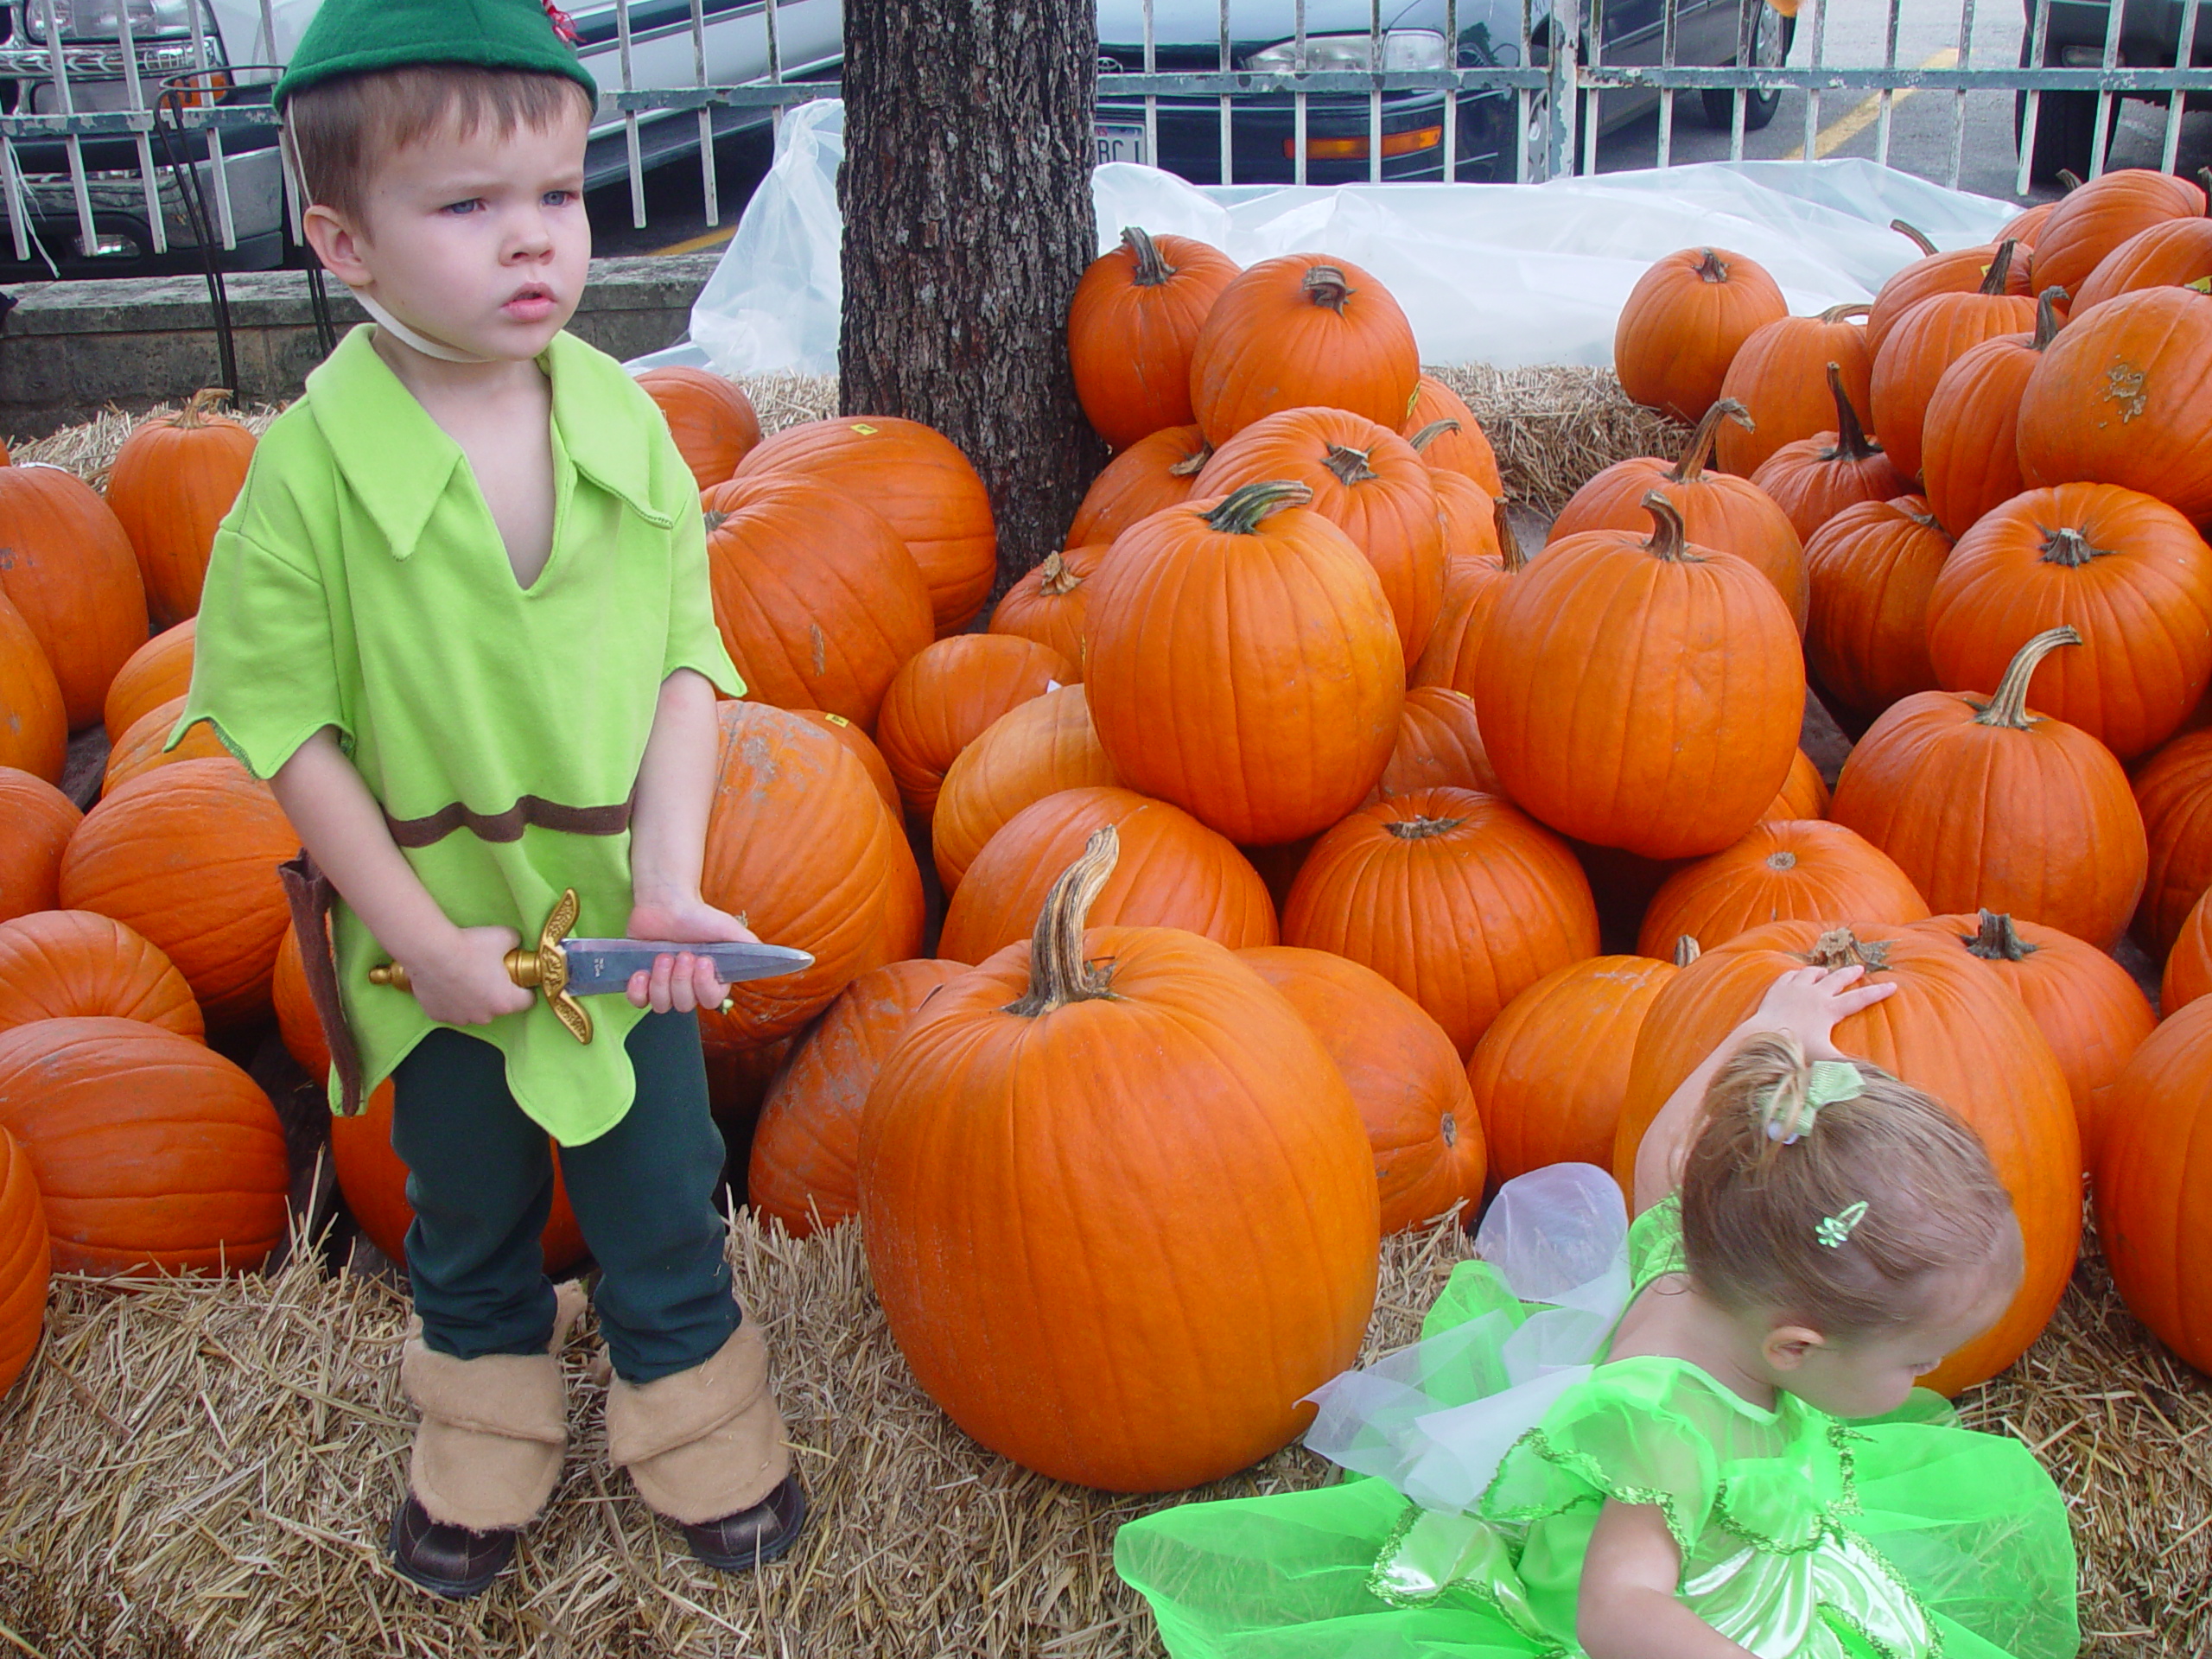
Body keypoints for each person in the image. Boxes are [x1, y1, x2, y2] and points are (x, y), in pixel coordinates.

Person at [171, 0, 804, 1600]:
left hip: (614, 914)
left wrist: (669, 883)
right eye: (465, 207)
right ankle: (483, 1422)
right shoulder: (307, 475)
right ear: (343, 240)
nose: (531, 244)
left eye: (557, 196)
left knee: (662, 1178)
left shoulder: (629, 435)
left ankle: (697, 1409)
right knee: (462, 1197)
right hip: (432, 935)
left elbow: (683, 668)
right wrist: (414, 935)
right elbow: (286, 728)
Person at [1115, 963, 2080, 1658]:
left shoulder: (1688, 1250)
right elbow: (1615, 1611)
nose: (1922, 1386)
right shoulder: (1669, 1428)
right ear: (1794, 1347)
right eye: (1915, 1366)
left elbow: (1667, 1152)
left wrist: (1765, 1030)